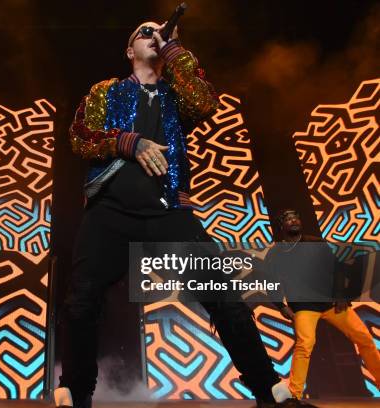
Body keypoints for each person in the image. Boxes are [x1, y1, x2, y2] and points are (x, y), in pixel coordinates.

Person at [54, 21, 294, 408]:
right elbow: (79, 136)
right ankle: (77, 393)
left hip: (168, 212)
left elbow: (205, 102)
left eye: (158, 32)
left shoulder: (175, 95)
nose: (153, 33)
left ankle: (270, 391)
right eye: (143, 32)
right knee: (81, 301)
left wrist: (175, 51)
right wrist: (128, 142)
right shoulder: (106, 92)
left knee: (225, 297)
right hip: (109, 211)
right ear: (130, 50)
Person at [267, 209, 380, 406]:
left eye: (296, 217)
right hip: (304, 306)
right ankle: (294, 394)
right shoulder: (276, 252)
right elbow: (270, 281)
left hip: (331, 303)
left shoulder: (315, 243)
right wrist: (280, 306)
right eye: (288, 219)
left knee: (364, 339)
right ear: (281, 226)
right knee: (305, 343)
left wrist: (341, 295)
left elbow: (336, 269)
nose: (294, 220)